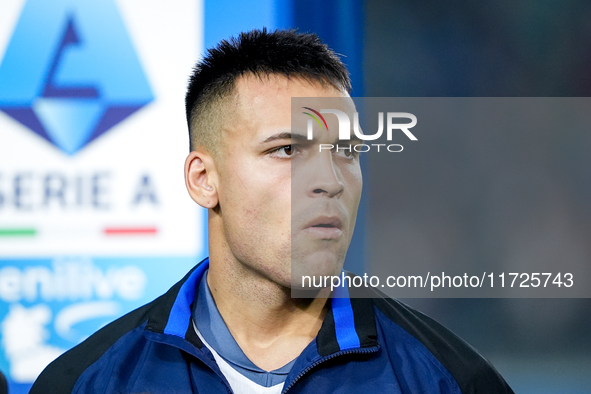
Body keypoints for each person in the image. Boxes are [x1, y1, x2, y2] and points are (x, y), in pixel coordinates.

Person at [31, 29, 514, 394]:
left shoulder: (449, 379)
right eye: (287, 150)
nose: (329, 179)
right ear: (204, 180)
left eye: (346, 150)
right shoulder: (86, 382)